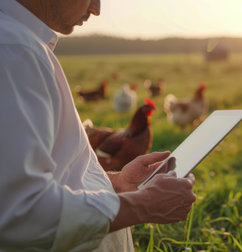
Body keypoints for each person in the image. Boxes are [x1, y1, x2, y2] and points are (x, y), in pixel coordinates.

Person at [0, 0, 196, 251]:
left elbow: (49, 173)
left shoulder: (23, 43)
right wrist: (145, 205)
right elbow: (20, 213)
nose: (96, 8)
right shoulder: (12, 50)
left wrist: (115, 182)